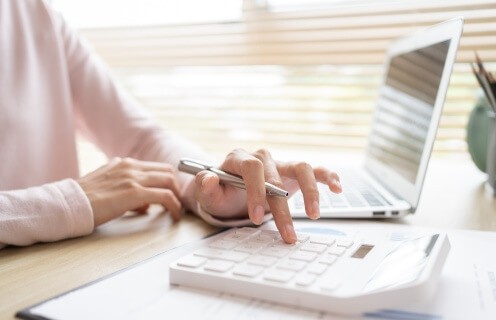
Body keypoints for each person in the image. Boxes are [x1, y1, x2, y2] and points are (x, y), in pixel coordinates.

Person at [0, 0, 341, 249]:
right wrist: (68, 202)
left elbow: (140, 139)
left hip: (53, 268)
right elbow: (77, 199)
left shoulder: (34, 12)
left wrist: (215, 187)